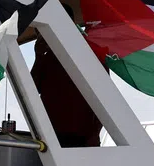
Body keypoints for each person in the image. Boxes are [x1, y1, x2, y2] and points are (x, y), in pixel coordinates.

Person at [30, 9, 102, 149]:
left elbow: (104, 96)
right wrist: (38, 56)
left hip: (82, 135)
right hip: (51, 134)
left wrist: (94, 134)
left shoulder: (88, 52)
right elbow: (31, 90)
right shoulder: (47, 57)